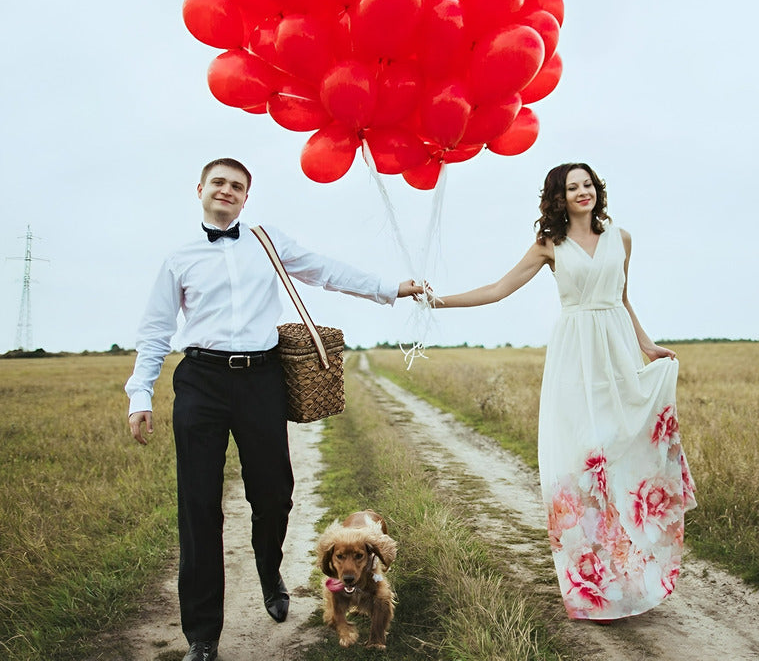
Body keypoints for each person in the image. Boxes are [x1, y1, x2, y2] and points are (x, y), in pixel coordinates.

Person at [125, 157, 421, 661]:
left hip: (261, 379)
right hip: (200, 379)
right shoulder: (179, 257)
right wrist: (140, 394)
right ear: (200, 189)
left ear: (247, 196)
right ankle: (201, 635)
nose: (227, 191)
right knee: (197, 508)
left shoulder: (268, 241)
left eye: (237, 186)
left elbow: (326, 270)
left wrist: (389, 288)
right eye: (218, 182)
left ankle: (268, 569)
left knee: (275, 493)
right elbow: (155, 331)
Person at [429, 162, 696, 621]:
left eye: (587, 184)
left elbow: (622, 297)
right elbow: (499, 288)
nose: (582, 191)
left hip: (616, 354)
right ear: (559, 195)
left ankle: (633, 572)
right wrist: (439, 300)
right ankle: (595, 581)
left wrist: (647, 345)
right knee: (582, 463)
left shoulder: (621, 238)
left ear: (597, 189)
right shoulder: (550, 243)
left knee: (619, 456)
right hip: (574, 359)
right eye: (572, 186)